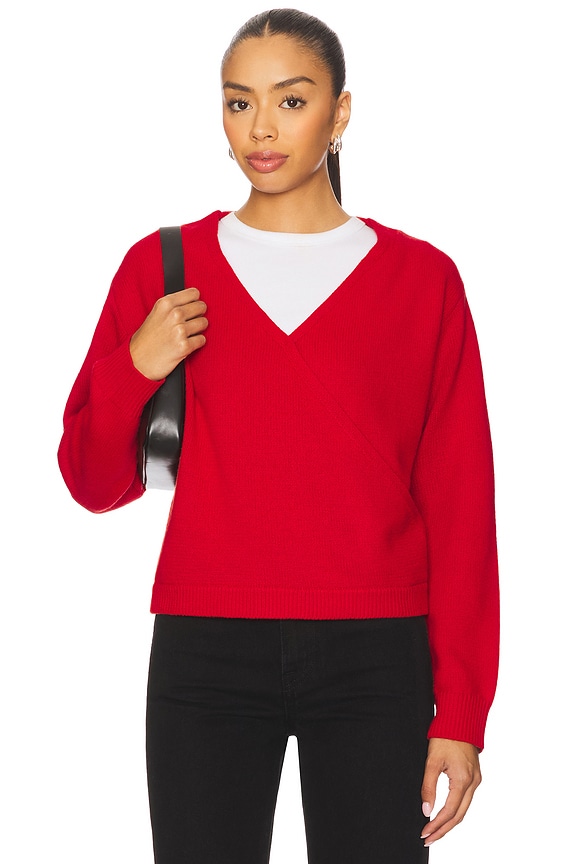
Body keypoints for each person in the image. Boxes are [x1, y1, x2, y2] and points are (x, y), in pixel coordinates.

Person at [57, 8, 499, 863]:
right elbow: (90, 480)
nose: (260, 127)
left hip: (378, 651)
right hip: (205, 646)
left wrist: (463, 711)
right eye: (239, 102)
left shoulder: (424, 281)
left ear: (339, 114)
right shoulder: (162, 266)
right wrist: (137, 364)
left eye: (291, 101)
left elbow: (461, 505)